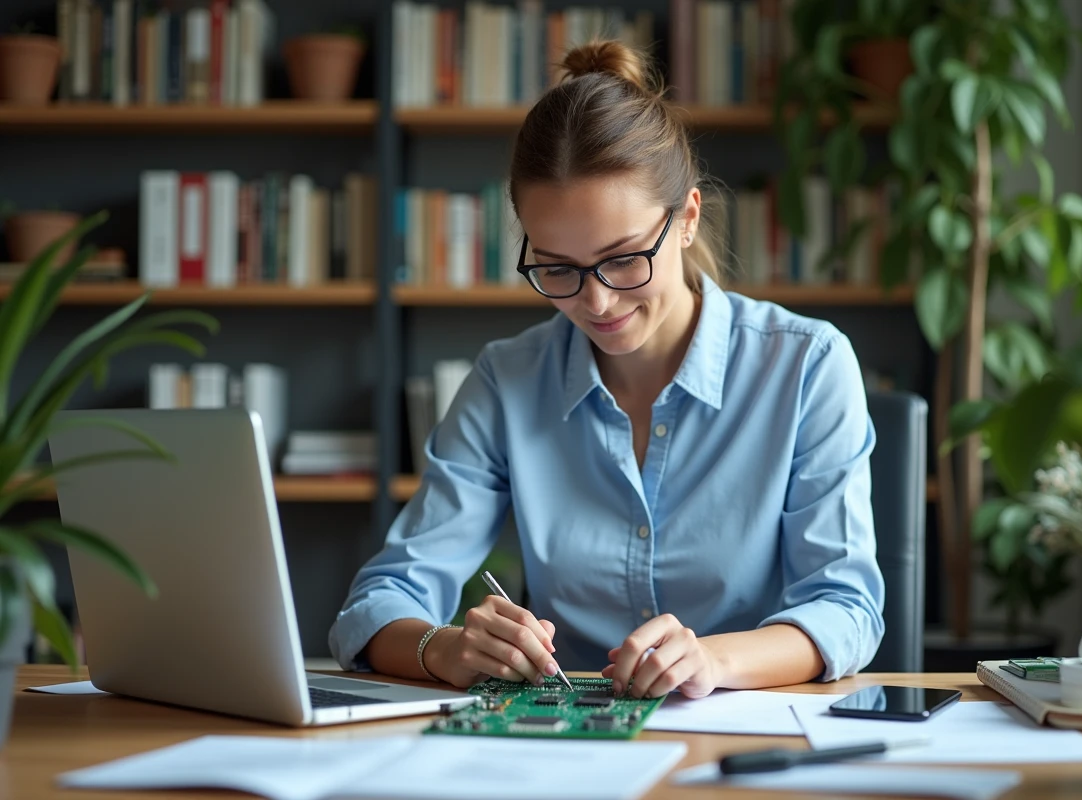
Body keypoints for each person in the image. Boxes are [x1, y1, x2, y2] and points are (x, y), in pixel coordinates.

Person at [329, 39, 884, 700]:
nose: (595, 303)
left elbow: (846, 608)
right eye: (557, 269)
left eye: (623, 259)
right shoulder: (507, 381)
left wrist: (713, 662)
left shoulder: (807, 364)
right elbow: (381, 599)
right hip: (561, 733)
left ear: (687, 218)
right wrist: (443, 647)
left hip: (747, 730)